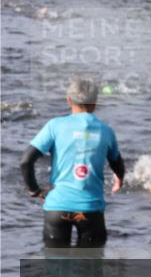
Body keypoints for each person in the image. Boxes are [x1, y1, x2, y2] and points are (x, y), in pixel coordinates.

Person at [19, 77, 125, 248]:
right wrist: (119, 178)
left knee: (56, 269)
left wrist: (34, 190)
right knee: (91, 269)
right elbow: (117, 162)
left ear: (69, 100)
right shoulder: (106, 131)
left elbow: (25, 161)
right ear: (95, 102)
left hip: (57, 208)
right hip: (90, 210)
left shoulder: (54, 126)